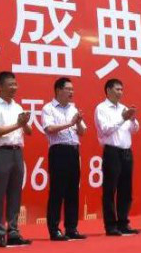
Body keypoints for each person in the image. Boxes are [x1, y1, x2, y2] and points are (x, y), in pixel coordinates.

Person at [0, 71, 32, 248]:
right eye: (10, 84)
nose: (14, 87)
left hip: (17, 152)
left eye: (15, 84)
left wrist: (24, 123)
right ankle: (0, 234)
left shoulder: (18, 107)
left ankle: (13, 232)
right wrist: (17, 124)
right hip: (0, 152)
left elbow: (29, 132)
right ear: (0, 86)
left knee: (15, 193)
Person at [41, 77, 87, 241]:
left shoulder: (73, 108)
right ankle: (54, 229)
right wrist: (70, 123)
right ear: (58, 90)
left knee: (72, 191)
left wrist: (78, 122)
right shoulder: (48, 108)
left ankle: (71, 228)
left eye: (72, 89)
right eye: (68, 89)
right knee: (57, 191)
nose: (71, 92)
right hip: (58, 151)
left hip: (73, 151)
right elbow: (49, 128)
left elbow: (82, 132)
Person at [94, 78, 140, 236]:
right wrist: (123, 118)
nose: (120, 92)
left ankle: (123, 223)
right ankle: (110, 225)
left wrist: (132, 119)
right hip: (112, 152)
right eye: (117, 89)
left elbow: (134, 130)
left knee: (126, 190)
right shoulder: (101, 108)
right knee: (110, 189)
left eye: (122, 89)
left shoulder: (124, 108)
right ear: (108, 90)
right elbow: (105, 129)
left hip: (126, 151)